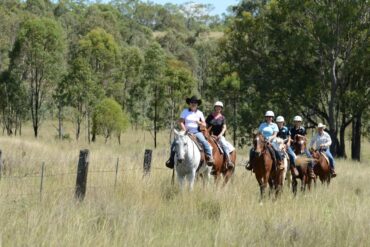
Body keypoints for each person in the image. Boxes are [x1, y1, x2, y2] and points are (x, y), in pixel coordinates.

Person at [165, 96, 214, 168]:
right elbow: (180, 122)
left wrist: (199, 123)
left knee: (204, 142)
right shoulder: (185, 111)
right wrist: (185, 130)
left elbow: (204, 125)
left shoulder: (200, 113)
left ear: (197, 104)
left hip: (196, 132)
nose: (193, 104)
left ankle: (209, 157)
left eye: (195, 103)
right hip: (185, 131)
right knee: (175, 142)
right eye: (192, 102)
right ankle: (171, 160)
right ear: (189, 104)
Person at [205, 101, 235, 170]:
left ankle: (228, 160)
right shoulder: (210, 116)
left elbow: (224, 128)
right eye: (217, 107)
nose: (218, 108)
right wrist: (210, 135)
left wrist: (220, 135)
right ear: (214, 108)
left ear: (221, 108)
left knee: (224, 144)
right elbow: (206, 126)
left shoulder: (222, 118)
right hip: (210, 136)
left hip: (220, 136)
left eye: (219, 107)